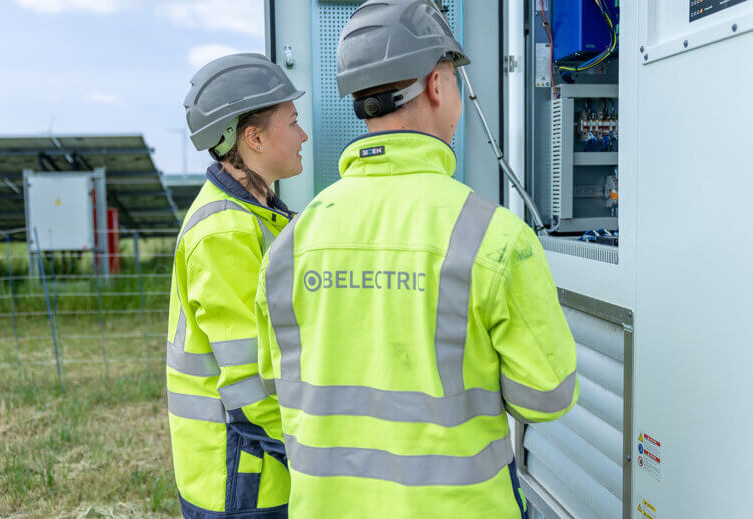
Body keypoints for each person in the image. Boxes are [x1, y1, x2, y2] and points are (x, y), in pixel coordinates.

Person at [254, 1, 579, 517]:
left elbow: (274, 397)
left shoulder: (290, 243)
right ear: (435, 84)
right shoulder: (494, 237)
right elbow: (548, 396)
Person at [166, 53, 307, 518]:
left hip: (256, 468)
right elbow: (248, 384)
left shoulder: (258, 213)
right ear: (254, 137)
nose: (303, 135)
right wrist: (312, 457)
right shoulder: (225, 232)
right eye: (293, 122)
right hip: (244, 481)